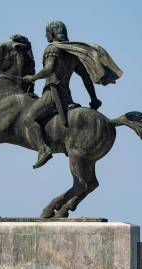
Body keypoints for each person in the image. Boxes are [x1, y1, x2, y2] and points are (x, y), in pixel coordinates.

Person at [22, 21, 119, 169]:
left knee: (28, 119)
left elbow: (49, 70)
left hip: (51, 96)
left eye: (47, 32)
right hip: (67, 97)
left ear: (53, 33)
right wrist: (93, 98)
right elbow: (86, 78)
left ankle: (43, 149)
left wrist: (32, 78)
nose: (45, 35)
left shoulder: (52, 49)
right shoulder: (71, 52)